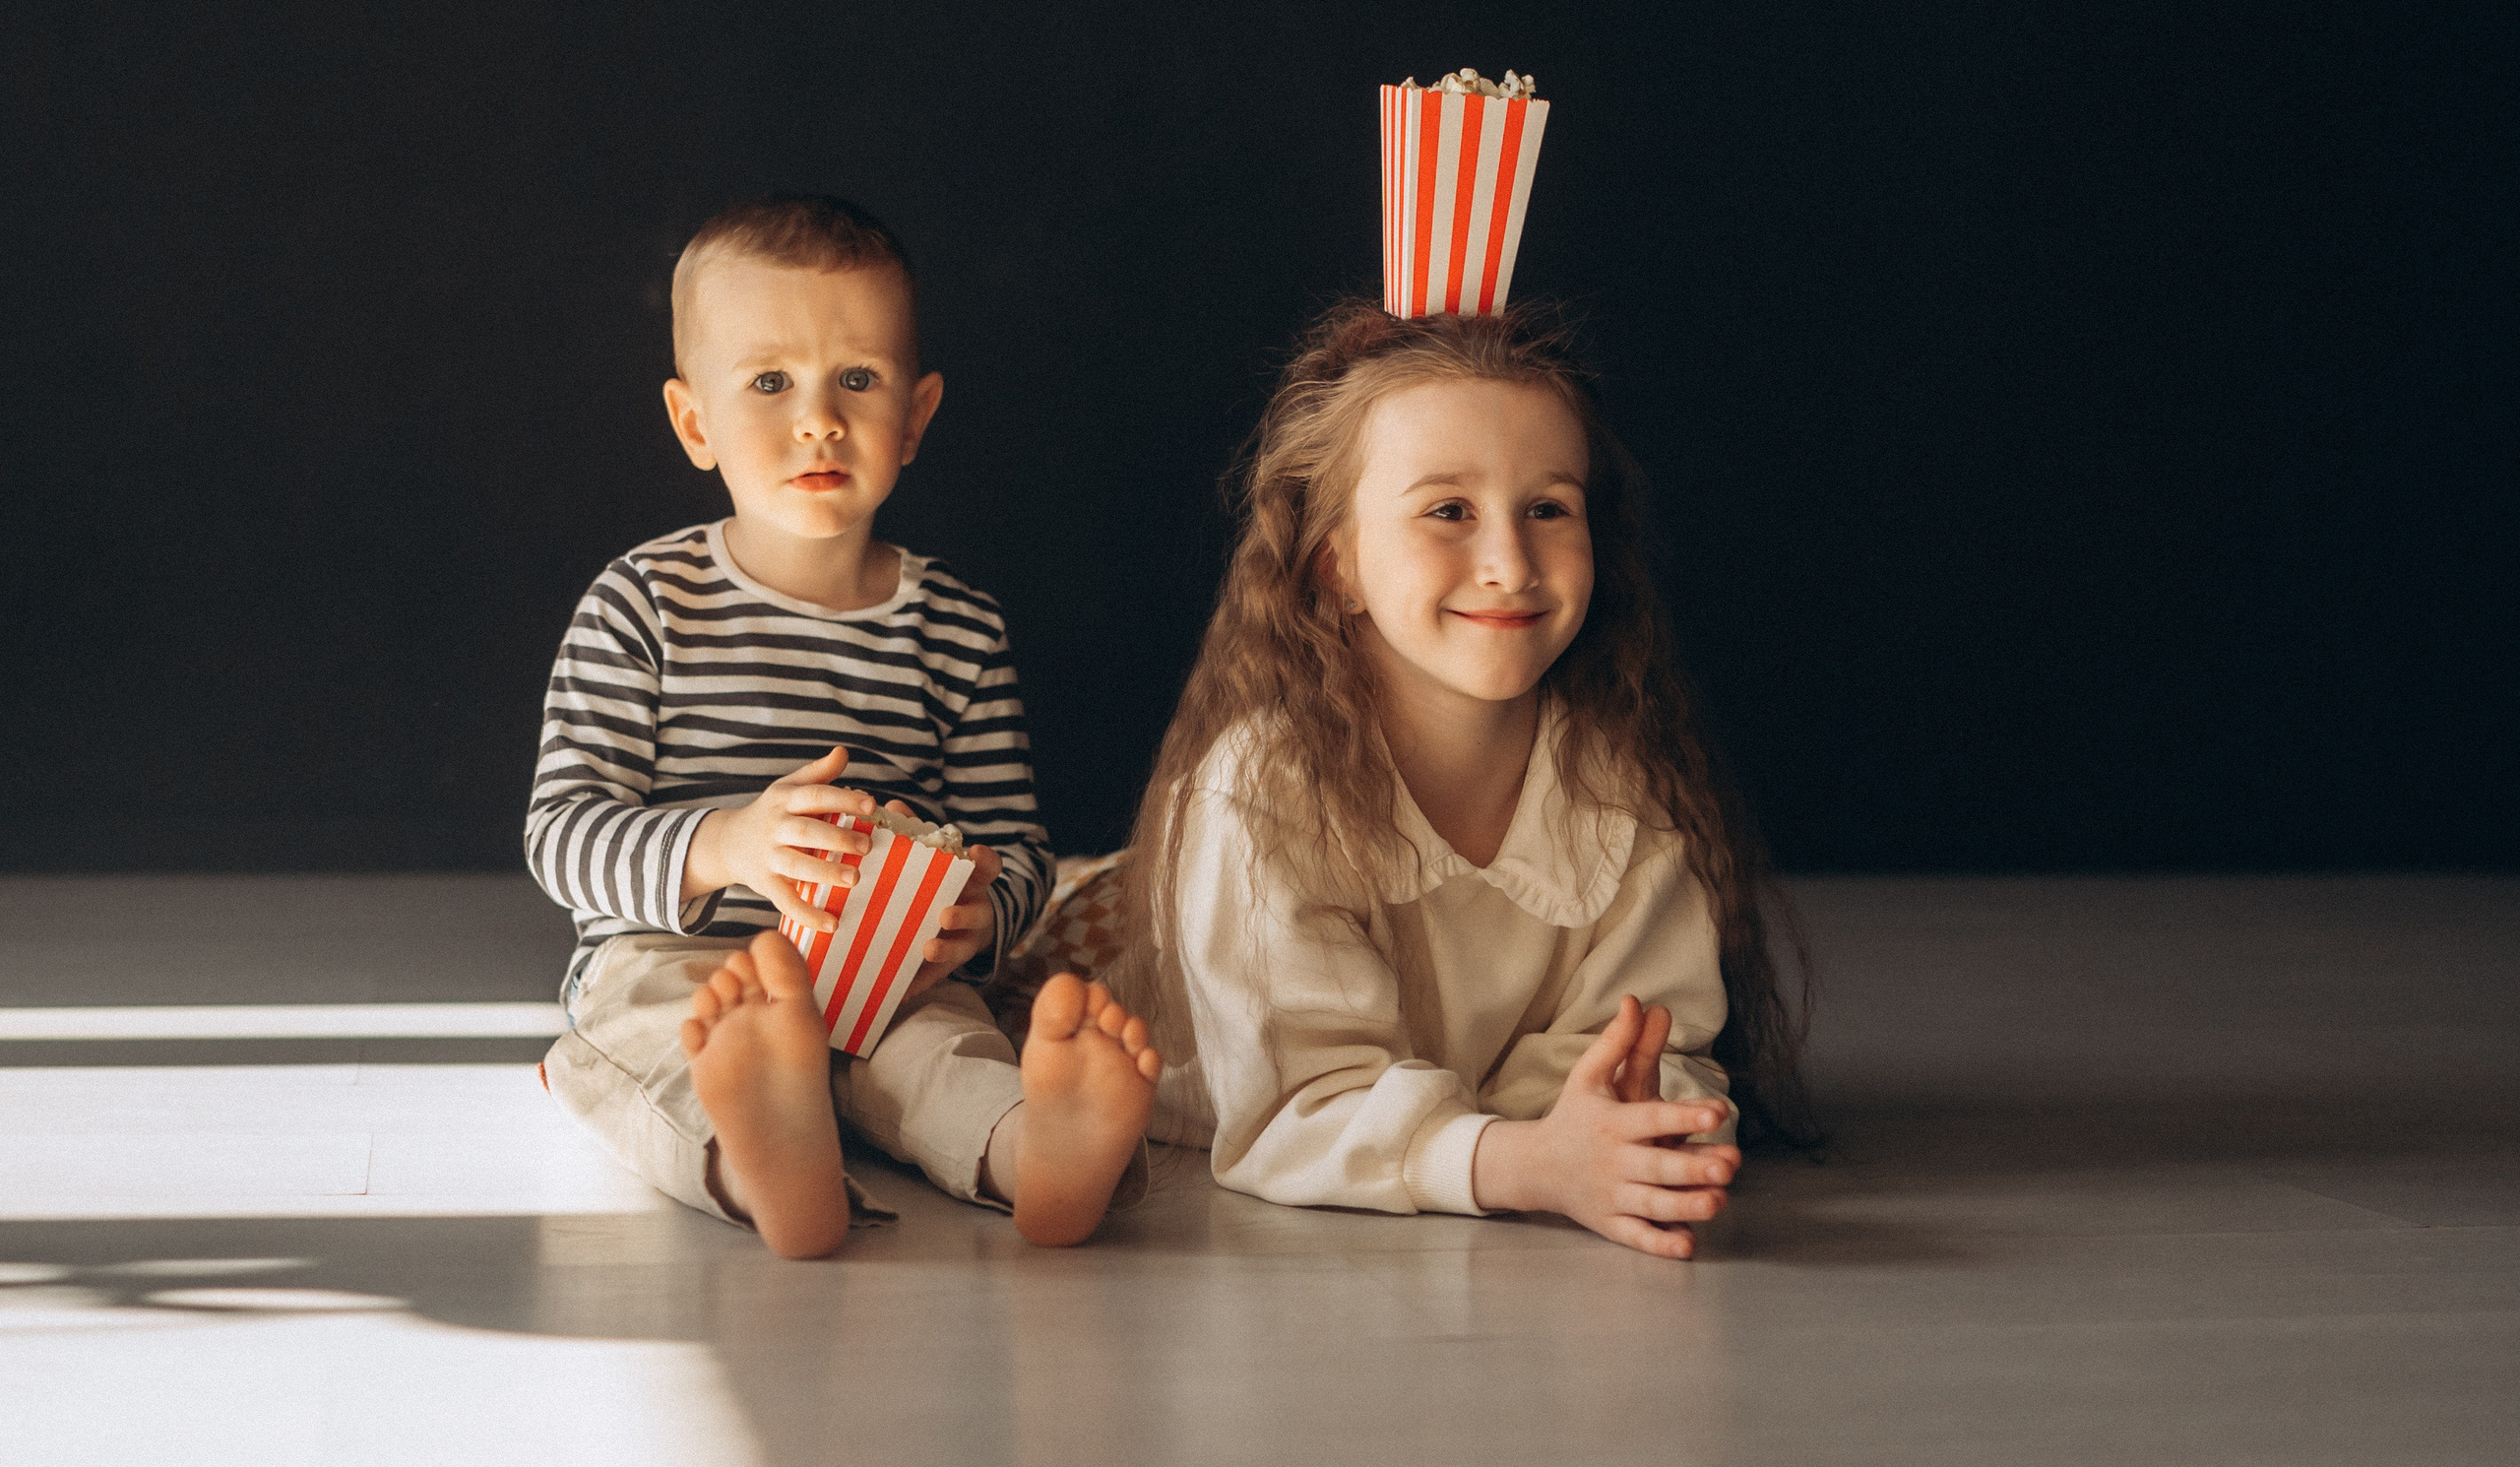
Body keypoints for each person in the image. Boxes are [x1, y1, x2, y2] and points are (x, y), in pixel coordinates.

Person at [530, 193, 1159, 1258]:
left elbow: (1013, 843)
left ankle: (1038, 1155)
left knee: (943, 1053)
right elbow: (560, 833)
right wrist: (728, 844)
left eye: (856, 380)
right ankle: (763, 1161)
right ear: (694, 422)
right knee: (644, 1050)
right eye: (770, 382)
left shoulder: (956, 626)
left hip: (891, 968)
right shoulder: (641, 602)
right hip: (679, 956)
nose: (818, 419)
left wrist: (979, 914)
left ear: (916, 414)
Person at [1119, 299, 1812, 1260]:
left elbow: (1653, 1046)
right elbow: (1295, 1105)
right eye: (1448, 510)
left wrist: (1631, 1129)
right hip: (1082, 940)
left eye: (1547, 508)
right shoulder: (1256, 796)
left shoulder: (1621, 789)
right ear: (1335, 564)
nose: (1510, 564)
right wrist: (1523, 1162)